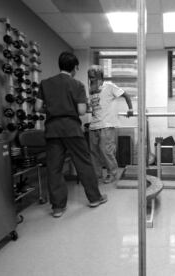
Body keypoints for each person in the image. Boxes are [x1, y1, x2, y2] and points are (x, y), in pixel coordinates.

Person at [35, 52, 107, 218]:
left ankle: (58, 208)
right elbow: (82, 111)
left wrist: (53, 109)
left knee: (54, 168)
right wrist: (69, 109)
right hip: (72, 129)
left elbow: (37, 107)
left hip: (52, 130)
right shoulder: (77, 85)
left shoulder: (45, 83)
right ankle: (95, 198)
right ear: (75, 68)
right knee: (84, 163)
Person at [87, 65, 133, 184]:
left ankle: (112, 173)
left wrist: (130, 109)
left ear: (100, 75)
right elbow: (94, 106)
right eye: (89, 76)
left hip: (107, 124)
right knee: (94, 152)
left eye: (93, 76)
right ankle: (97, 174)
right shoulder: (91, 89)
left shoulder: (109, 86)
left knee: (106, 151)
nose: (91, 78)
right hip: (93, 125)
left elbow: (126, 95)